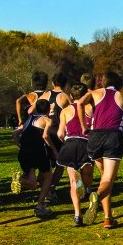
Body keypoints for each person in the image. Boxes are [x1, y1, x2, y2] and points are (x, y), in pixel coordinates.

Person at [77, 71, 123, 228]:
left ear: (103, 82)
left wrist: (83, 126)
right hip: (113, 137)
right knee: (108, 180)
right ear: (119, 84)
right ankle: (96, 195)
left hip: (95, 137)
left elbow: (79, 103)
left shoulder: (96, 93)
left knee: (103, 177)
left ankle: (108, 217)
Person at [56, 83, 94, 227]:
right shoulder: (90, 108)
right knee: (88, 177)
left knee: (72, 182)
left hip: (70, 145)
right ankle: (85, 185)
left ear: (71, 97)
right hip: (86, 144)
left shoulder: (65, 111)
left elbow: (60, 133)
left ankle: (77, 215)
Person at [11, 99, 56, 218]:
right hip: (38, 152)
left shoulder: (28, 119)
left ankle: (20, 180)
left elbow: (15, 134)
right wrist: (54, 150)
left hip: (24, 152)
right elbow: (45, 136)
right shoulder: (47, 120)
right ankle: (40, 205)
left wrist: (20, 145)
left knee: (33, 184)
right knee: (48, 176)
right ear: (48, 109)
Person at [34, 71, 69, 202]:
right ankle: (51, 189)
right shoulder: (65, 96)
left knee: (46, 162)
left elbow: (32, 110)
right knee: (60, 163)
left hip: (43, 130)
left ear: (53, 83)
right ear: (65, 84)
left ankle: (44, 187)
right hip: (57, 131)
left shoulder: (45, 94)